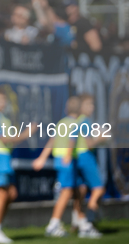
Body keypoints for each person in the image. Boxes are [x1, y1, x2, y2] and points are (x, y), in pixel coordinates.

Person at [0, 86, 36, 243]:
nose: (2, 102)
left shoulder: (3, 117)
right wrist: (26, 135)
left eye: (3, 99)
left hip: (4, 158)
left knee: (11, 193)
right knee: (2, 193)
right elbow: (3, 138)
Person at [33, 97, 82, 237]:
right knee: (66, 192)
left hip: (59, 160)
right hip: (67, 160)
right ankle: (54, 224)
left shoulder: (62, 123)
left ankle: (80, 221)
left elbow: (52, 141)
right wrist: (68, 155)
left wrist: (42, 158)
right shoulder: (75, 123)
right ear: (80, 110)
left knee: (76, 190)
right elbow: (72, 140)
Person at [73, 94, 108, 238]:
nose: (91, 107)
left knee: (81, 191)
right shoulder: (85, 121)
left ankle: (79, 221)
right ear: (80, 107)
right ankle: (88, 222)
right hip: (86, 157)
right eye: (88, 104)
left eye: (92, 104)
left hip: (77, 158)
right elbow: (89, 144)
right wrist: (101, 138)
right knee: (99, 190)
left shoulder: (77, 121)